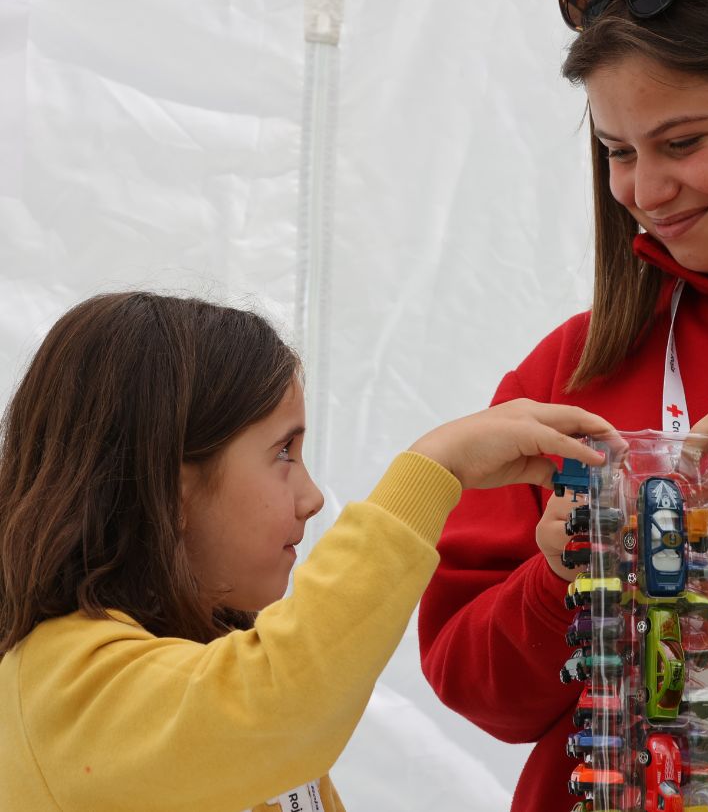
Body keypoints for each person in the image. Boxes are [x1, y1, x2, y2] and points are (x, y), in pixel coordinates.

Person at [418, 0, 708, 809]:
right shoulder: (569, 369)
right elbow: (475, 690)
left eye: (683, 143)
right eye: (618, 152)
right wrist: (557, 581)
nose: (645, 193)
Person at [0, 292, 615, 812]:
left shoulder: (202, 663)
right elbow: (281, 703)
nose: (312, 496)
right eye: (283, 454)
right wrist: (433, 472)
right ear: (168, 487)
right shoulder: (60, 686)